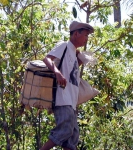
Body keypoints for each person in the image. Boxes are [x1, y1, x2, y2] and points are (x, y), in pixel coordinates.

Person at [40, 21, 94, 150]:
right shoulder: (64, 46)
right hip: (62, 98)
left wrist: (79, 61)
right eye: (85, 35)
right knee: (64, 130)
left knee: (72, 137)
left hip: (71, 100)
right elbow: (47, 59)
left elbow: (70, 73)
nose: (86, 39)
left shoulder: (74, 53)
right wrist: (57, 73)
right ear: (76, 34)